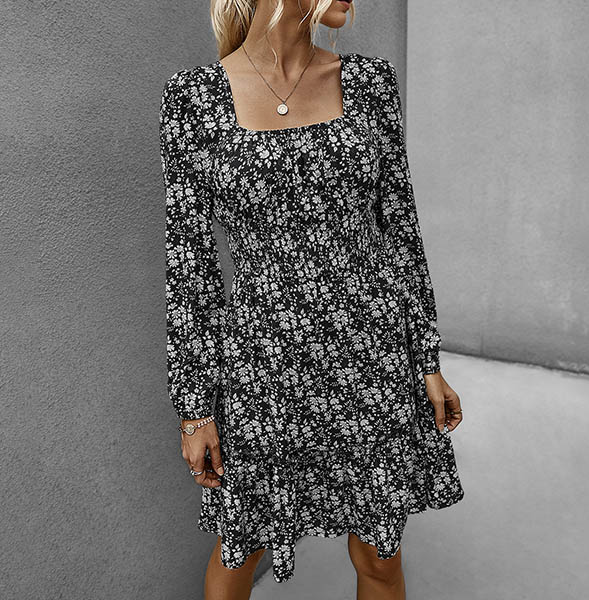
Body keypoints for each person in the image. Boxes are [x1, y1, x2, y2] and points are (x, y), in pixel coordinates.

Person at [159, 1, 465, 598]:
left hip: (370, 359)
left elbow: (400, 232)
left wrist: (425, 359)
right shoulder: (193, 99)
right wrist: (194, 407)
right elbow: (189, 266)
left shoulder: (371, 84)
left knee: (379, 555)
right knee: (239, 547)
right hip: (261, 368)